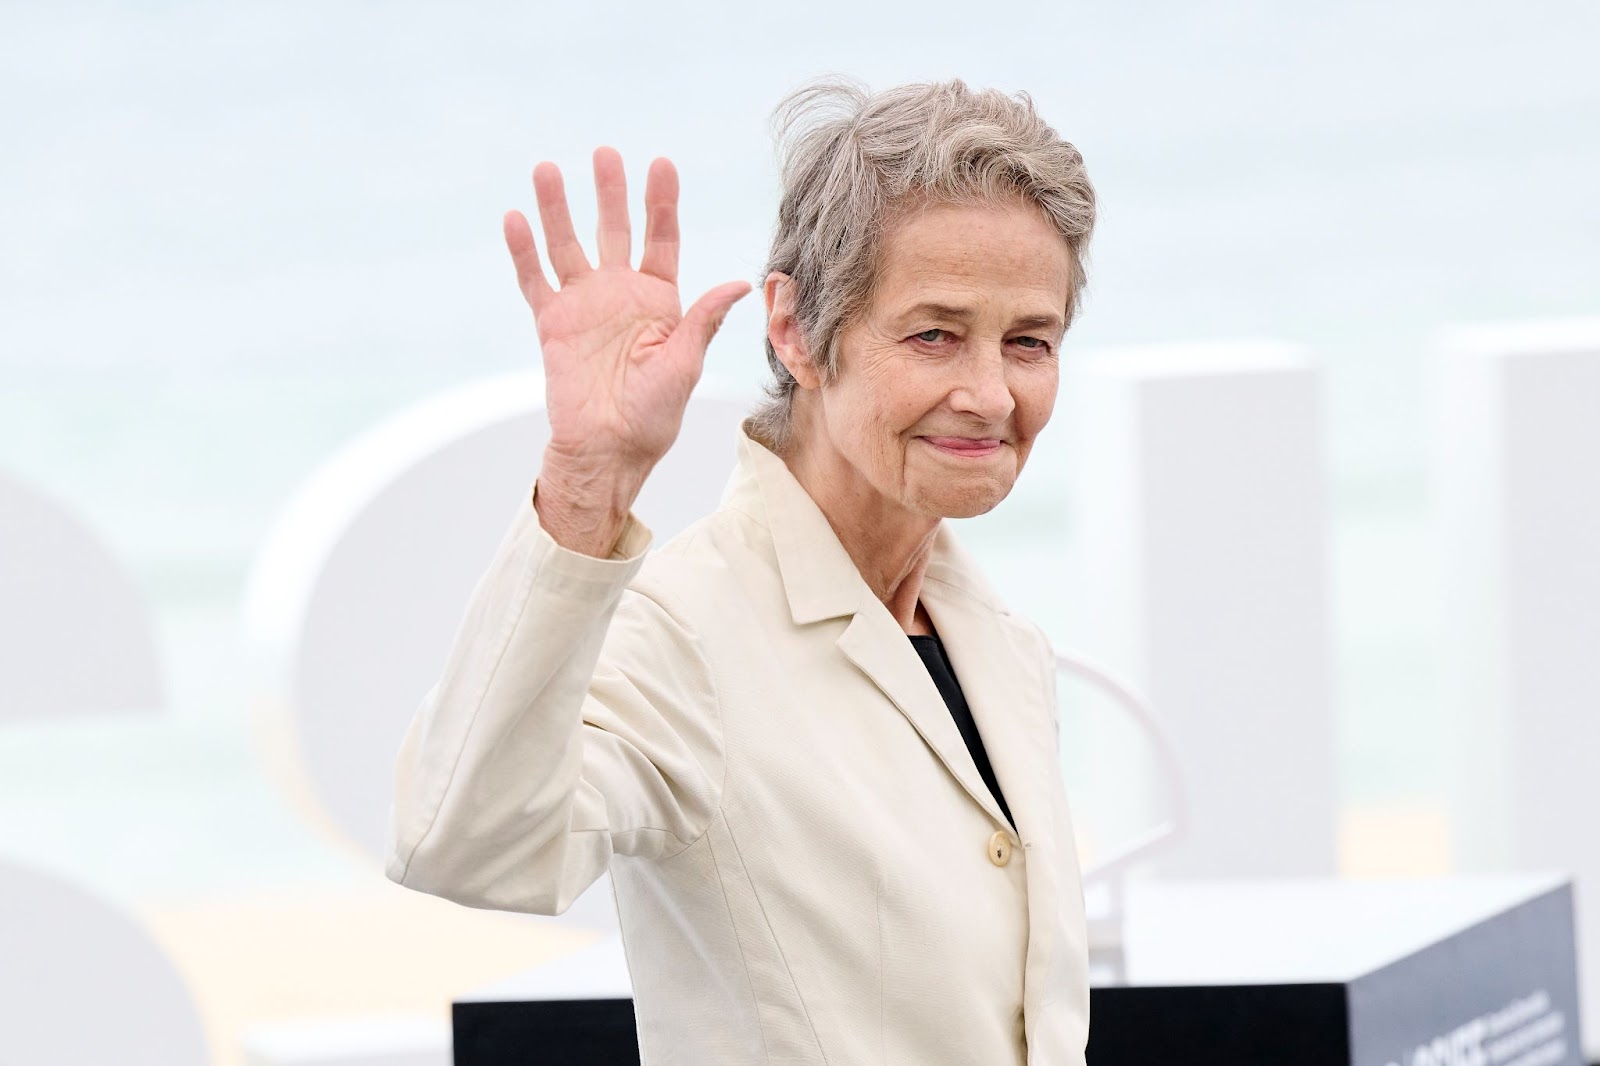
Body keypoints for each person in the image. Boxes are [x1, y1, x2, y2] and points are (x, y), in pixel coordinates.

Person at [386, 76, 1097, 1065]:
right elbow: (463, 845)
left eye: (1029, 341)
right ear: (797, 332)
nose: (988, 393)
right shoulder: (687, 628)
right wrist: (588, 481)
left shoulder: (999, 645)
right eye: (933, 332)